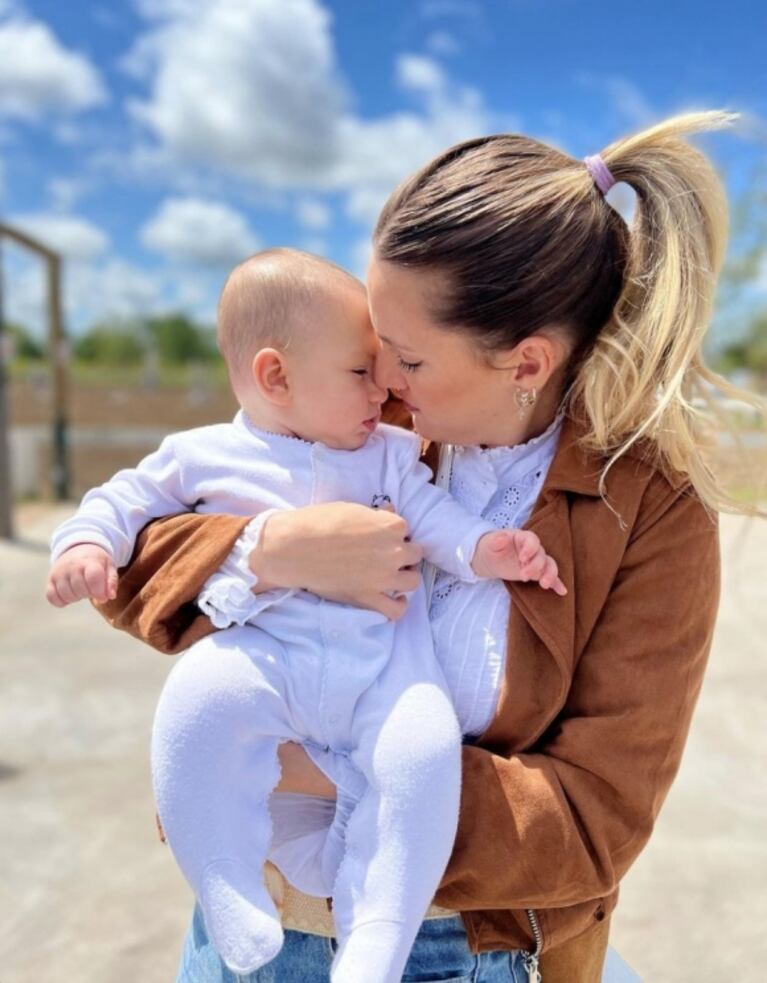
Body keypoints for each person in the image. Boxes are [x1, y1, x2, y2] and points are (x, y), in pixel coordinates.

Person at [86, 110, 763, 982]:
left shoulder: (650, 513)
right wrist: (272, 548)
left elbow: (595, 822)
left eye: (406, 357)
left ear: (523, 363)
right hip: (243, 922)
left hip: (452, 952)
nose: (383, 381)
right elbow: (131, 548)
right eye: (374, 349)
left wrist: (313, 766)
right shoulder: (368, 411)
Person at [46, 249, 565, 982]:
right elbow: (122, 501)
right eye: (360, 370)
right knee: (193, 707)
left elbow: (434, 517)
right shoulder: (203, 455)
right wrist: (86, 544)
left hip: (380, 672)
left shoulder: (385, 453)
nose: (380, 385)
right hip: (266, 662)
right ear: (274, 376)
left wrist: (487, 548)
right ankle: (226, 884)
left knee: (423, 750)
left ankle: (377, 940)